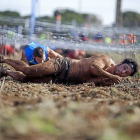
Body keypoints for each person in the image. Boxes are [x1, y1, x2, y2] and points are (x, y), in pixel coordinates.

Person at [0, 54, 138, 86]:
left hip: (63, 79)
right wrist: (111, 76)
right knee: (29, 71)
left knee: (25, 79)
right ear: (120, 63)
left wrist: (104, 81)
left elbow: (89, 82)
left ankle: (4, 71)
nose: (122, 72)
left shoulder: (109, 80)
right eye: (124, 68)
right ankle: (4, 58)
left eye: (126, 74)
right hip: (63, 65)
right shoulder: (107, 60)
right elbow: (93, 67)